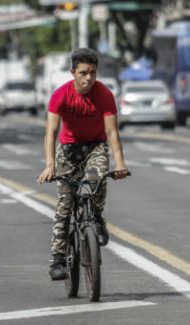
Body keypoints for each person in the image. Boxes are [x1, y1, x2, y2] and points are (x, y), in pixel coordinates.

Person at [37, 48, 129, 281]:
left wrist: (120, 163)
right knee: (65, 204)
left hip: (95, 147)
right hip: (68, 151)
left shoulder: (104, 94)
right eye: (83, 73)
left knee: (97, 178)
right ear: (73, 73)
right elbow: (51, 132)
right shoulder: (61, 95)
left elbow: (112, 132)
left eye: (93, 73)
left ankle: (96, 219)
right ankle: (57, 259)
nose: (89, 78)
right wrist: (50, 165)